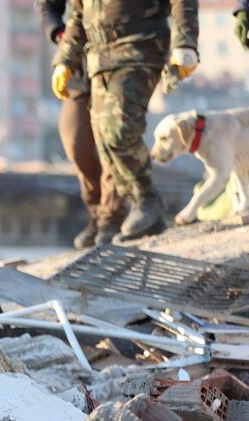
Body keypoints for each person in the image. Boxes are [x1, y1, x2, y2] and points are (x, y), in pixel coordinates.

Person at [54, 0, 198, 242]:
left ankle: (145, 199)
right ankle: (145, 215)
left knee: (119, 129)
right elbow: (78, 13)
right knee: (104, 141)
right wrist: (65, 59)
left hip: (140, 46)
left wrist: (185, 42)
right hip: (99, 57)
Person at [40, 0, 126, 247]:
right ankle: (98, 212)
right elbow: (47, 7)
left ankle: (111, 217)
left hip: (118, 61)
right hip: (78, 64)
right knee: (76, 141)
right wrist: (59, 33)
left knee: (112, 139)